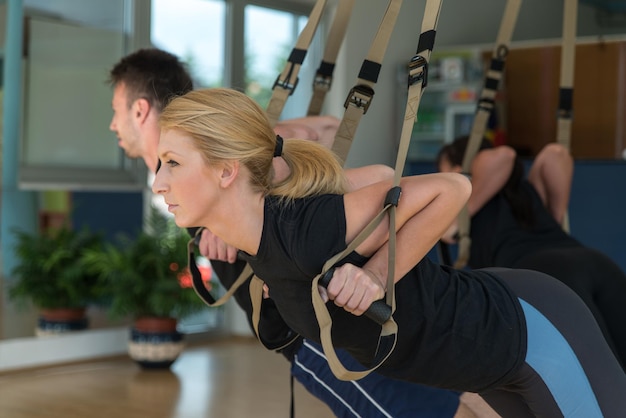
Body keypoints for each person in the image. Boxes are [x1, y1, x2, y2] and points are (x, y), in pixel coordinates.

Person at [153, 87, 626, 418]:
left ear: (226, 172)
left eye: (172, 163)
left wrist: (377, 275)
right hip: (489, 366)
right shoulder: (265, 238)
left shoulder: (309, 229)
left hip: (531, 329)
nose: (159, 181)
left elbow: (451, 187)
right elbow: (375, 173)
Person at [109, 48, 478, 418]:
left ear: (139, 111)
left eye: (116, 111)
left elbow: (332, 132)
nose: (113, 125)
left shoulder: (219, 157)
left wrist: (259, 150)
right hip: (297, 321)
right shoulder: (172, 179)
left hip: (310, 319)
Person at [437, 136, 626, 371]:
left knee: (602, 374)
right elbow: (551, 154)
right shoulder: (528, 191)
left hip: (546, 273)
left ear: (459, 168)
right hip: (590, 261)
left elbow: (511, 154)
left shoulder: (471, 202)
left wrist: (465, 204)